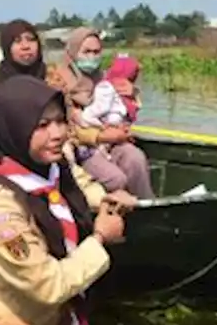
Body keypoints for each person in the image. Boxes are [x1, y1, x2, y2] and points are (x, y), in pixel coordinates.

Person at [0, 76, 135, 325]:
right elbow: (48, 285)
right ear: (15, 128)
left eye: (59, 121)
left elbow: (80, 185)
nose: (57, 134)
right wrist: (99, 239)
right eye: (41, 126)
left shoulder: (51, 167)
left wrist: (108, 199)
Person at [55, 29, 153, 199]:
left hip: (110, 142)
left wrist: (131, 95)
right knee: (116, 179)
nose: (92, 57)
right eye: (86, 52)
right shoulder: (59, 81)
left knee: (136, 159)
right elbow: (65, 127)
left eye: (96, 52)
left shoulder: (105, 80)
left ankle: (149, 207)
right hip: (80, 148)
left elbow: (124, 113)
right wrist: (102, 136)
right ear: (72, 52)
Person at [0, 20, 56, 137]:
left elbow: (66, 119)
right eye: (17, 41)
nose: (26, 46)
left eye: (31, 39)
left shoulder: (52, 77)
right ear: (7, 47)